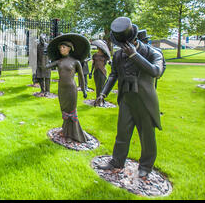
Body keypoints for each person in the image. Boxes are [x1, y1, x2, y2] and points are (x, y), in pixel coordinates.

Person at [95, 17, 164, 178]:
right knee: (123, 132)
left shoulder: (152, 52)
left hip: (145, 100)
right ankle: (117, 161)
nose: (124, 48)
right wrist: (103, 93)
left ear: (134, 39)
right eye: (122, 46)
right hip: (126, 98)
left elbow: (156, 71)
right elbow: (113, 75)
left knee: (147, 134)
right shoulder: (119, 55)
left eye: (127, 45)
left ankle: (146, 165)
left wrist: (135, 56)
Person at [46, 34, 89, 143]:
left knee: (71, 111)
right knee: (64, 110)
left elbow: (81, 77)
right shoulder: (59, 61)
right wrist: (43, 56)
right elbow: (46, 67)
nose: (61, 49)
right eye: (60, 48)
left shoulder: (76, 62)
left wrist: (84, 89)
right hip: (61, 89)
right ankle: (66, 131)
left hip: (71, 89)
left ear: (69, 49)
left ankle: (72, 135)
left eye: (64, 47)